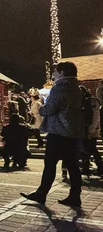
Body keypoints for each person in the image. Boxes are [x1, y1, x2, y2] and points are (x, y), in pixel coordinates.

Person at [21, 62, 84, 207]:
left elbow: (50, 109)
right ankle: (75, 196)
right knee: (73, 165)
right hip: (73, 132)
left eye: (55, 72)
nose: (53, 75)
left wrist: (41, 109)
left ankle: (41, 193)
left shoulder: (60, 88)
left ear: (62, 73)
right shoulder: (77, 88)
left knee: (50, 163)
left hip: (58, 132)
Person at [80, 86, 102, 175]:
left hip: (92, 130)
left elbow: (95, 118)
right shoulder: (84, 101)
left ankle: (99, 166)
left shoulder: (93, 101)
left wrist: (90, 131)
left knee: (91, 148)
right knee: (89, 149)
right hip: (86, 130)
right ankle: (87, 167)